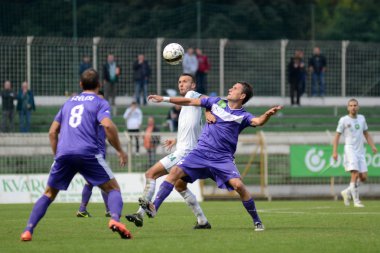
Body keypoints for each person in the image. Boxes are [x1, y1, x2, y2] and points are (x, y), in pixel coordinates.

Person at [142, 82, 282, 232]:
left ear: (242, 96)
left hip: (222, 159)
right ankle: (154, 207)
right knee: (174, 172)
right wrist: (163, 99)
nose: (230, 89)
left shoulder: (243, 115)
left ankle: (257, 222)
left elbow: (258, 121)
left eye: (234, 88)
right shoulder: (216, 102)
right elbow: (189, 101)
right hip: (200, 153)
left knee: (239, 186)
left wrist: (267, 115)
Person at [20, 69, 132, 241]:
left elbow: (52, 132)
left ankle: (28, 230)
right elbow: (108, 126)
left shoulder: (68, 102)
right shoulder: (99, 102)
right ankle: (115, 219)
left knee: (48, 194)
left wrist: (57, 155)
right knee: (113, 189)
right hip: (88, 153)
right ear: (99, 85)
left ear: (80, 84)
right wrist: (120, 150)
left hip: (63, 153)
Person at [125, 73, 214, 229]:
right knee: (180, 186)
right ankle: (202, 221)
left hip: (186, 153)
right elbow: (192, 129)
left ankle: (140, 213)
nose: (181, 84)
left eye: (185, 81)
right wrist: (177, 139)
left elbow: (209, 100)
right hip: (188, 150)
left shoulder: (192, 96)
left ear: (193, 85)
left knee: (150, 174)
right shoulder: (186, 107)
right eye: (179, 81)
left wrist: (164, 99)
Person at [333, 98, 377, 208]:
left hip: (360, 150)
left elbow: (366, 134)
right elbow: (337, 136)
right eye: (351, 105)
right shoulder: (343, 120)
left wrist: (372, 146)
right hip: (350, 149)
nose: (353, 107)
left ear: (358, 107)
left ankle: (347, 192)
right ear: (348, 108)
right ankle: (356, 201)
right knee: (355, 173)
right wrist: (335, 151)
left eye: (355, 105)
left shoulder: (362, 119)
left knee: (363, 177)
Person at [76, 91, 110, 218]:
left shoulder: (102, 116)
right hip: (94, 153)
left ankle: (82, 209)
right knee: (104, 181)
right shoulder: (91, 117)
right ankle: (108, 210)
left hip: (99, 152)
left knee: (91, 182)